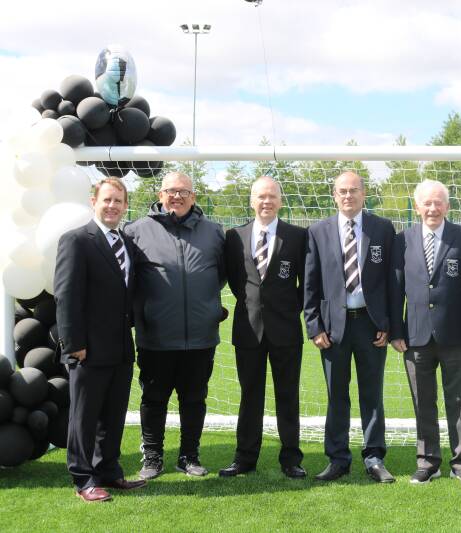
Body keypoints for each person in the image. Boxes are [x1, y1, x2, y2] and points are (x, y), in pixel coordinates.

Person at [124, 171, 226, 480]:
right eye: (170, 191)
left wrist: (207, 309)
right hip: (156, 336)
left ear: (194, 197)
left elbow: (220, 276)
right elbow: (128, 281)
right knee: (153, 399)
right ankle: (153, 458)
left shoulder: (214, 232)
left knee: (194, 399)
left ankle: (189, 456)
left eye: (183, 191)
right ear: (160, 194)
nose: (177, 196)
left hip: (200, 336)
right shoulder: (136, 231)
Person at [54, 177, 146, 502]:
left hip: (121, 348)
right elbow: (66, 297)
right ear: (94, 201)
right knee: (84, 417)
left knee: (113, 415)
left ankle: (109, 470)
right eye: (107, 200)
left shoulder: (127, 243)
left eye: (118, 201)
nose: (112, 206)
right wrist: (73, 343)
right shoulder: (76, 241)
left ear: (125, 205)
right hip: (87, 349)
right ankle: (83, 479)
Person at [304, 170, 396, 483]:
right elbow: (310, 283)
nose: (348, 196)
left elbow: (391, 282)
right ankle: (338, 459)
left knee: (373, 395)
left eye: (353, 190)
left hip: (371, 327)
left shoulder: (382, 229)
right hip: (333, 329)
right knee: (336, 396)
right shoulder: (318, 231)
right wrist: (314, 326)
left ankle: (374, 458)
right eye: (342, 191)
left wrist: (389, 323)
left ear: (364, 193)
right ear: (334, 195)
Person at [389, 179, 461, 486]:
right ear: (417, 207)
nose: (432, 208)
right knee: (422, 400)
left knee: (460, 401)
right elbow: (395, 289)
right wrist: (396, 331)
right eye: (426, 203)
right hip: (415, 336)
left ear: (447, 206)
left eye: (438, 202)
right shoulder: (402, 240)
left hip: (456, 336)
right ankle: (428, 461)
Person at [219, 176, 307, 479]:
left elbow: (305, 284)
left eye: (271, 196)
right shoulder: (234, 236)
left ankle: (291, 458)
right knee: (250, 396)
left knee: (288, 395)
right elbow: (234, 279)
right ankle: (245, 457)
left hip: (286, 330)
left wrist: (286, 308)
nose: (266, 201)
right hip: (248, 330)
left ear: (280, 201)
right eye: (260, 196)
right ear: (251, 201)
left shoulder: (298, 236)